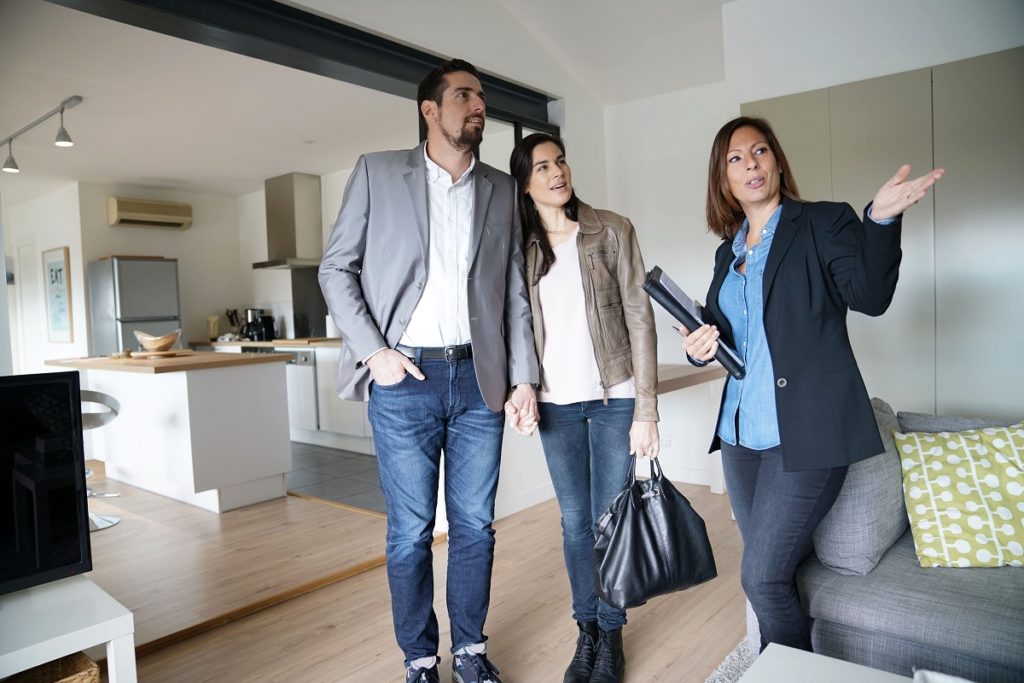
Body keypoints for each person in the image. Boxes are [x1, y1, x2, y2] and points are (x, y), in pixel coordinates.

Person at [679, 116, 944, 651]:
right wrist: (698, 343)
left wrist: (881, 221)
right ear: (722, 177)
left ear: (777, 160)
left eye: (759, 152)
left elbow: (870, 296)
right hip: (739, 437)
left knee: (759, 577)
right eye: (735, 158)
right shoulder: (726, 252)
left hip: (806, 432)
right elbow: (731, 336)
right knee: (772, 571)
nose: (750, 163)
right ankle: (780, 659)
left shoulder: (823, 223)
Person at [318, 58, 539, 683]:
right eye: (464, 95)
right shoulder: (377, 172)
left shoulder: (501, 188)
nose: (478, 106)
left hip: (479, 382)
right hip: (404, 380)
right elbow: (336, 269)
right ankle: (419, 658)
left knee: (474, 526)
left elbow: (514, 292)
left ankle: (469, 650)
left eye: (481, 97)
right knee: (410, 533)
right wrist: (374, 353)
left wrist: (523, 377)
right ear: (429, 109)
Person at [507, 133, 659, 683]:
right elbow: (514, 326)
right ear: (525, 184)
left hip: (613, 399)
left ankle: (612, 636)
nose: (557, 173)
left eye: (561, 162)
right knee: (575, 524)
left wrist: (647, 408)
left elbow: (640, 316)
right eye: (542, 167)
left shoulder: (611, 230)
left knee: (609, 520)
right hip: (556, 405)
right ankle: (587, 632)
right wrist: (517, 388)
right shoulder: (521, 245)